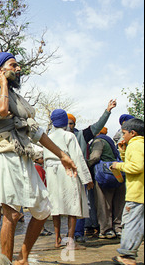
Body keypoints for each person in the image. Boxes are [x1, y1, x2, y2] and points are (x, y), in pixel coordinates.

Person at [0, 52, 77, 265]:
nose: (19, 69)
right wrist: (2, 84)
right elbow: (1, 110)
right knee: (11, 212)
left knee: (43, 210)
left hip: (22, 156)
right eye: (14, 65)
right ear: (0, 70)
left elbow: (36, 132)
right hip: (1, 155)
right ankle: (6, 264)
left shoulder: (18, 99)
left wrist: (63, 156)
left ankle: (22, 258)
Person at [67, 99, 117, 241]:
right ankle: (67, 234)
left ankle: (77, 233)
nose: (68, 125)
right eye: (66, 122)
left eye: (71, 123)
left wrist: (107, 111)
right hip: (63, 175)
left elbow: (98, 126)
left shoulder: (81, 136)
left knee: (83, 203)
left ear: (74, 125)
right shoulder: (55, 137)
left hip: (79, 175)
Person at [44, 109, 93, 250]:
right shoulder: (69, 136)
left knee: (56, 206)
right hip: (68, 171)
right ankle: (70, 242)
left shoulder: (48, 137)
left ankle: (57, 239)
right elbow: (77, 157)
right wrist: (86, 179)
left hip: (51, 172)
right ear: (65, 121)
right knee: (72, 204)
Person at [111, 118, 144, 265]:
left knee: (131, 224)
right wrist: (123, 152)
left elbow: (137, 167)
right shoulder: (140, 144)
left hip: (136, 193)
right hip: (140, 193)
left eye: (124, 133)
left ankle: (128, 256)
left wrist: (118, 164)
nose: (122, 136)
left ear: (133, 132)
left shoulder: (135, 144)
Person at [88, 127, 126, 239]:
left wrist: (84, 165)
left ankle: (106, 230)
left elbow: (95, 157)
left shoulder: (98, 141)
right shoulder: (110, 141)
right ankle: (118, 228)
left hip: (104, 175)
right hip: (117, 174)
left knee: (104, 203)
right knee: (118, 203)